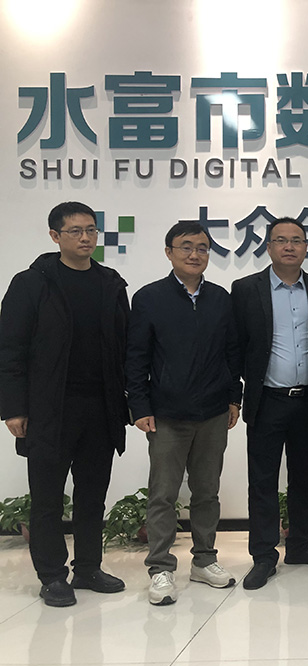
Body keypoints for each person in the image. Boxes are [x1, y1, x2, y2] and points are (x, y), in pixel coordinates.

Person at [0, 202, 129, 607]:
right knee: (47, 499)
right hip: (49, 409)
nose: (86, 238)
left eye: (91, 230)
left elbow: (124, 348)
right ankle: (52, 576)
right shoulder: (32, 283)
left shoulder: (110, 283)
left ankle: (88, 567)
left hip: (100, 408)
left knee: (93, 495)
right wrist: (13, 408)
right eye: (75, 231)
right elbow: (10, 349)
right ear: (55, 236)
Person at [126, 221, 243, 605]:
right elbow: (136, 357)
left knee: (207, 492)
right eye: (186, 247)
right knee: (163, 494)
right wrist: (139, 406)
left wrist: (234, 398)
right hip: (166, 414)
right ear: (169, 252)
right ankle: (160, 568)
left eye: (203, 248)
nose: (195, 254)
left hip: (212, 412)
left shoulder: (220, 298)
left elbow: (232, 353)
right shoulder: (149, 298)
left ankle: (204, 560)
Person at [232, 217, 308, 591]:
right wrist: (235, 395)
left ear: (306, 247)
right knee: (262, 480)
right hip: (267, 400)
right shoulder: (245, 289)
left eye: (297, 240)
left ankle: (300, 545)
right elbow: (235, 347)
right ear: (269, 247)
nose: (290, 246)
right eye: (281, 240)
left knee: (304, 478)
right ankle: (263, 555)